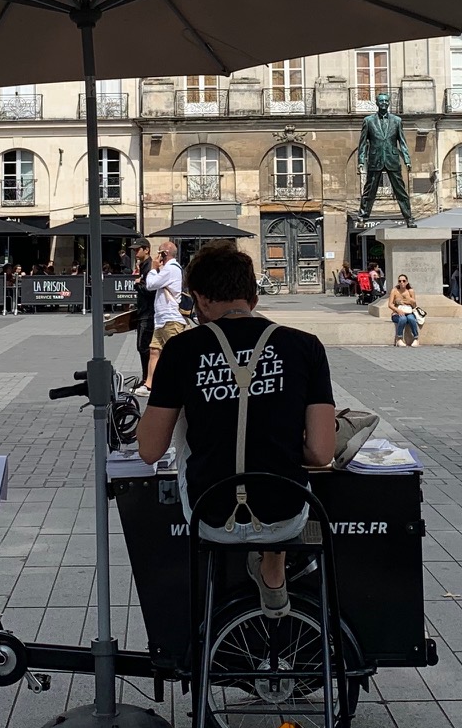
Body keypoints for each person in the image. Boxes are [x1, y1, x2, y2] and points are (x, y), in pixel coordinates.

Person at [138, 243, 336, 617]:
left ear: (198, 299)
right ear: (255, 297)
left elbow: (149, 450)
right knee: (276, 458)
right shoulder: (305, 346)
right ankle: (272, 564)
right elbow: (322, 453)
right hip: (285, 512)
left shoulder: (181, 350)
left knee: (192, 442)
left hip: (207, 513)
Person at [143, 239, 185, 389]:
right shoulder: (167, 269)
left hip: (170, 318)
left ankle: (181, 385)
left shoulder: (172, 268)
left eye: (159, 252)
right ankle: (149, 384)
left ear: (164, 254)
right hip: (161, 318)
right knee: (154, 350)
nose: (156, 256)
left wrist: (153, 269)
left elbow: (150, 284)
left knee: (176, 353)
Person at [132, 246, 156, 372]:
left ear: (146, 250)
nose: (135, 252)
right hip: (144, 311)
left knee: (144, 347)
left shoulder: (149, 266)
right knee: (144, 347)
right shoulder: (143, 265)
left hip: (148, 312)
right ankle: (147, 378)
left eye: (137, 249)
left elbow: (150, 289)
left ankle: (147, 379)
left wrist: (137, 285)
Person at [386, 273, 422, 346]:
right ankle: (399, 338)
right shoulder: (394, 291)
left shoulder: (410, 291)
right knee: (403, 319)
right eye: (400, 281)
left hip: (409, 312)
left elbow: (414, 305)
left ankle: (416, 338)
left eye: (404, 281)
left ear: (407, 282)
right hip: (397, 313)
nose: (402, 282)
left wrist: (408, 299)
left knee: (411, 319)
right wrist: (397, 310)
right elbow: (390, 304)